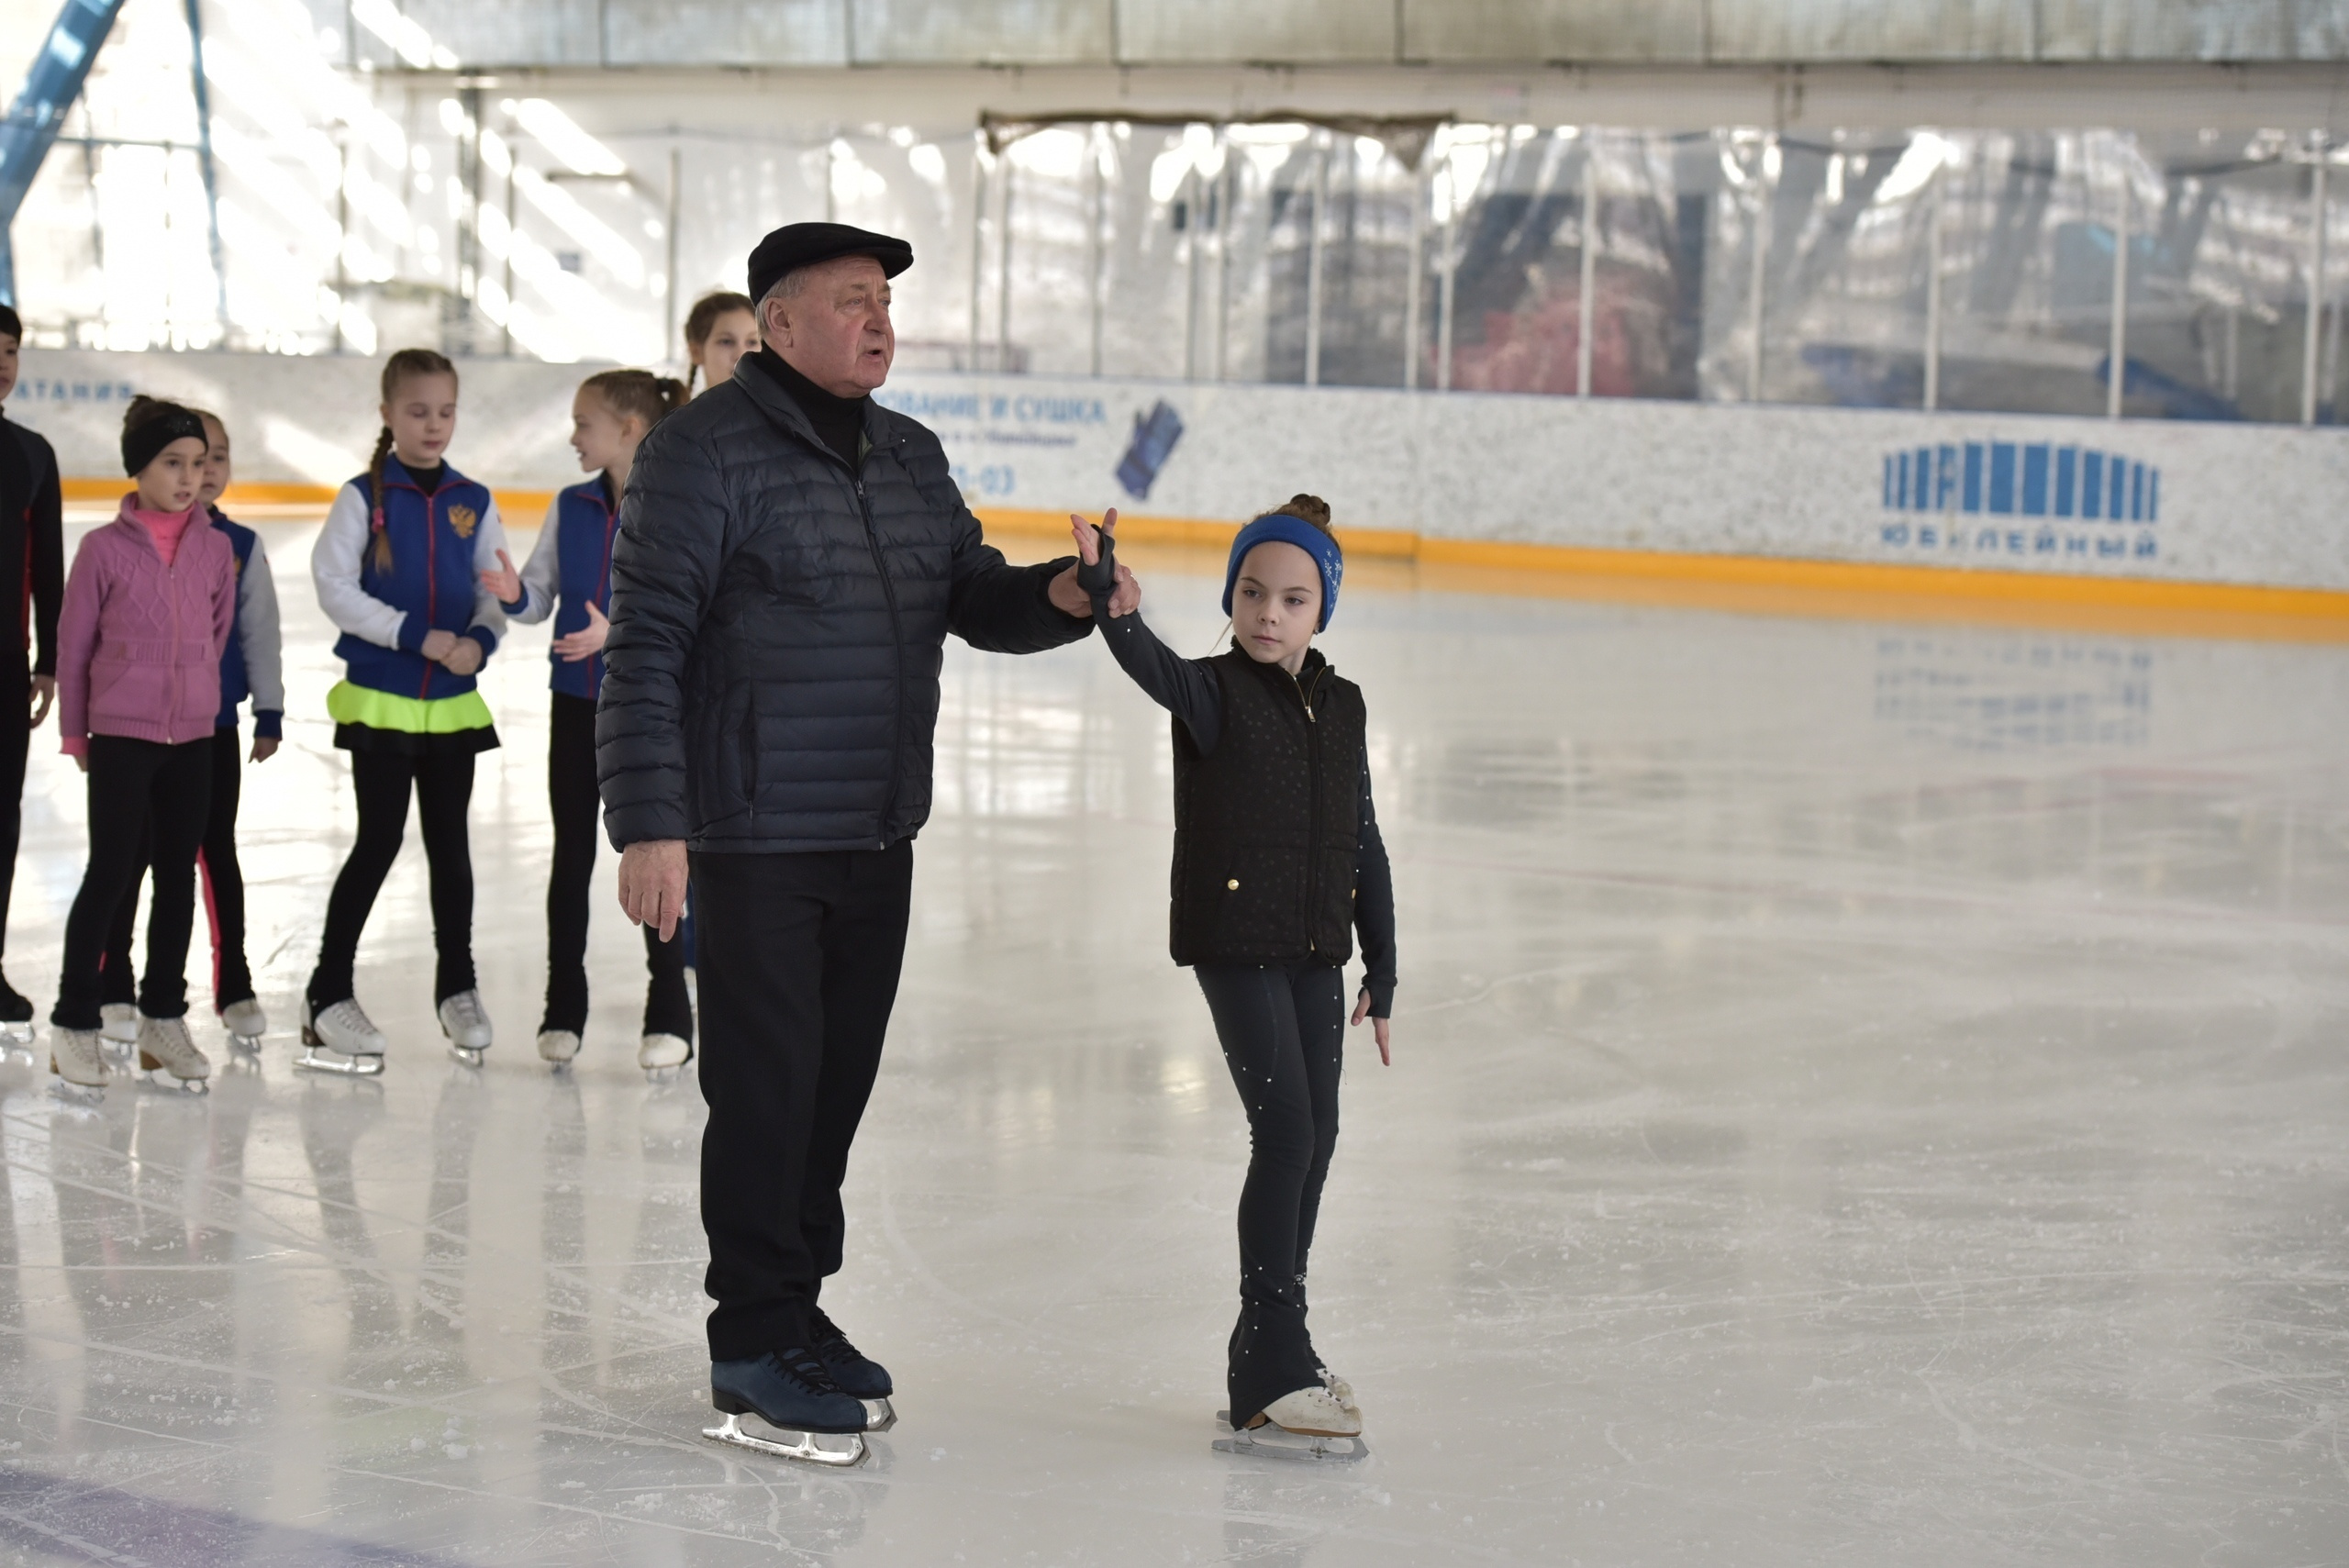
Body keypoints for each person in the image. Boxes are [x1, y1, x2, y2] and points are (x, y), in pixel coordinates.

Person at [599, 221, 1139, 1465]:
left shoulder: (907, 453)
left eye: (885, 300)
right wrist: (652, 824)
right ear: (780, 323)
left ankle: (798, 1308)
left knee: (830, 1094)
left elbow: (968, 594)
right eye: (852, 301)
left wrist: (1062, 591)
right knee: (769, 1092)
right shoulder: (701, 455)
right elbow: (649, 647)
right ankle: (748, 1346)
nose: (879, 319)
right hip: (749, 832)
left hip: (874, 825)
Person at [1069, 496, 1396, 1457]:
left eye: (1292, 598)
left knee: (1319, 1129)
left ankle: (1270, 1350)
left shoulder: (1344, 704)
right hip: (1233, 935)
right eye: (1251, 592)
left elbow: (1363, 835)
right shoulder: (1211, 690)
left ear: (1321, 609)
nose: (1266, 613)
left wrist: (1384, 956)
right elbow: (1149, 663)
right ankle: (1273, 1360)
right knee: (1285, 1125)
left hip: (1313, 946)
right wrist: (1108, 602)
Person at [302, 349, 524, 1075]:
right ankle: (326, 990)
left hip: (452, 704)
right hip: (384, 698)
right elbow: (333, 583)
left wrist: (482, 638)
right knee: (378, 840)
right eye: (418, 411)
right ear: (388, 414)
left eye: (445, 411)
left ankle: (456, 984)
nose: (433, 425)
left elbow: (496, 585)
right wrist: (413, 635)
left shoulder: (473, 497)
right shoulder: (362, 497)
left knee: (451, 845)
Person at [505, 369, 693, 1073]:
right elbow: (536, 595)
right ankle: (563, 1002)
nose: (574, 435)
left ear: (629, 430)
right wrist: (512, 593)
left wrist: (615, 634)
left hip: (651, 704)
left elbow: (693, 610)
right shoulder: (568, 506)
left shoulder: (677, 502)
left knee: (657, 850)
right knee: (570, 855)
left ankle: (670, 1007)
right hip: (574, 703)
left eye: (585, 422)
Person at [49, 398, 237, 1095]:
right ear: (139, 468)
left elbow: (216, 635)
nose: (190, 477)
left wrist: (196, 699)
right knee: (111, 871)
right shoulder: (101, 549)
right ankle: (74, 1020)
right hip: (122, 734)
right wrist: (77, 729)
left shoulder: (215, 548)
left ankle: (163, 1016)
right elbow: (72, 647)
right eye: (173, 464)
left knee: (177, 879)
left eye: (200, 463)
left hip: (191, 736)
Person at [96, 407, 283, 1056]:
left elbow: (259, 632)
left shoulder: (239, 546)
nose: (202, 472)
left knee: (212, 852)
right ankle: (113, 978)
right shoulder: (124, 544)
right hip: (139, 728)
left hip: (211, 728)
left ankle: (233, 982)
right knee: (132, 852)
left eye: (215, 458)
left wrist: (270, 708)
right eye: (185, 459)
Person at [0, 305, 64, 1032]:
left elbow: (47, 562)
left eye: (12, 350)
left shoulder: (33, 454)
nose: (3, 362)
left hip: (5, 668)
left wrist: (47, 659)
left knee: (2, 821)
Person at [683, 292, 758, 397]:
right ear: (696, 352)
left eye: (752, 342)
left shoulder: (781, 411)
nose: (741, 355)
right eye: (726, 341)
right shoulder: (688, 414)